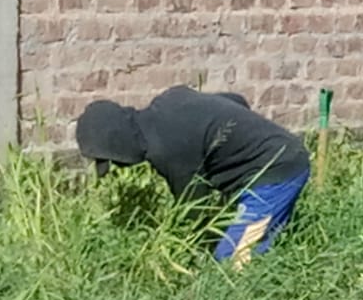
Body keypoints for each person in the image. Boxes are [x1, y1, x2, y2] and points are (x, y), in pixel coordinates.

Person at [74, 87, 311, 267]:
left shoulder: (167, 151)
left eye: (115, 160)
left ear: (120, 145)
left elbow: (195, 211)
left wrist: (179, 253)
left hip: (277, 171)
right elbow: (233, 100)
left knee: (232, 260)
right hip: (266, 162)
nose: (119, 166)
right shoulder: (169, 100)